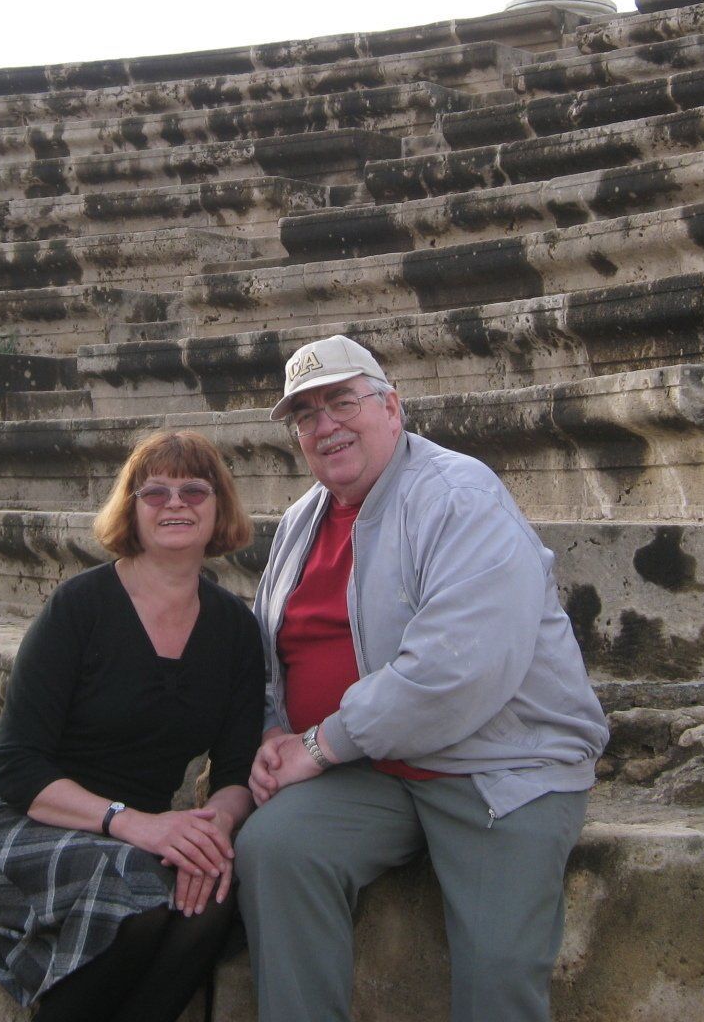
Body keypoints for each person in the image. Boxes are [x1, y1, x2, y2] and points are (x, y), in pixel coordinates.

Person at [235, 335, 608, 1022]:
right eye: (306, 416)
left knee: (498, 970)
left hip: (497, 764)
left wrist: (317, 747)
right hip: (372, 768)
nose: (326, 426)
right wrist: (273, 730)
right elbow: (267, 650)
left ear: (391, 407)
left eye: (342, 402)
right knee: (276, 851)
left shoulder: (457, 494)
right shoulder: (298, 522)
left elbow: (455, 669)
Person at [0, 430, 263, 1022]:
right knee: (135, 893)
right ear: (131, 510)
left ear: (219, 507)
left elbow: (236, 771)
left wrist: (211, 831)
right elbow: (18, 768)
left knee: (213, 895)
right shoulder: (79, 608)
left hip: (125, 835)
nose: (175, 503)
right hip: (5, 814)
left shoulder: (235, 629)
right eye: (155, 491)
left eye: (194, 489)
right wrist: (133, 823)